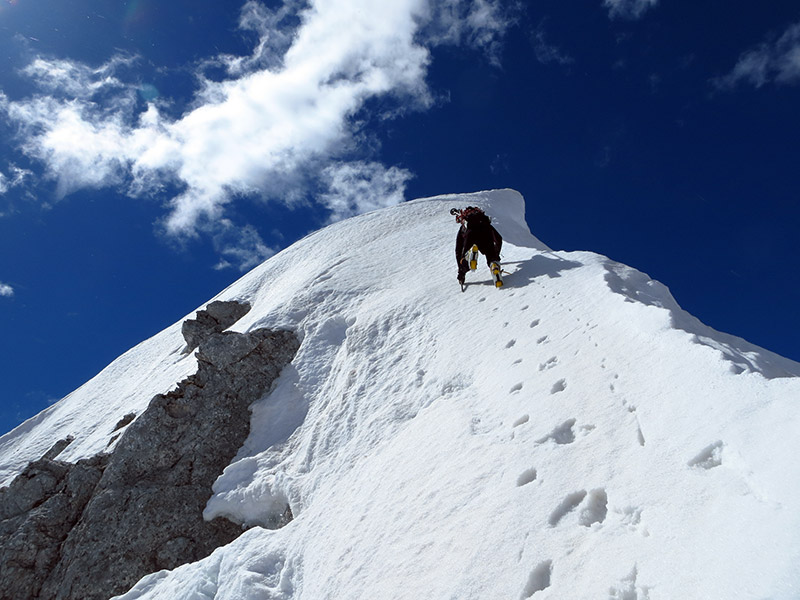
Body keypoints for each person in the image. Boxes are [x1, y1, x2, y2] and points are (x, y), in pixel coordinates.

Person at [451, 206, 503, 287]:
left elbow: (458, 249)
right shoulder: (484, 221)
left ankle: (469, 256)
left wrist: (461, 273)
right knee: (491, 255)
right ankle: (494, 265)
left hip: (470, 235)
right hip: (485, 233)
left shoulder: (464, 227)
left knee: (464, 258)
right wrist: (496, 255)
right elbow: (498, 238)